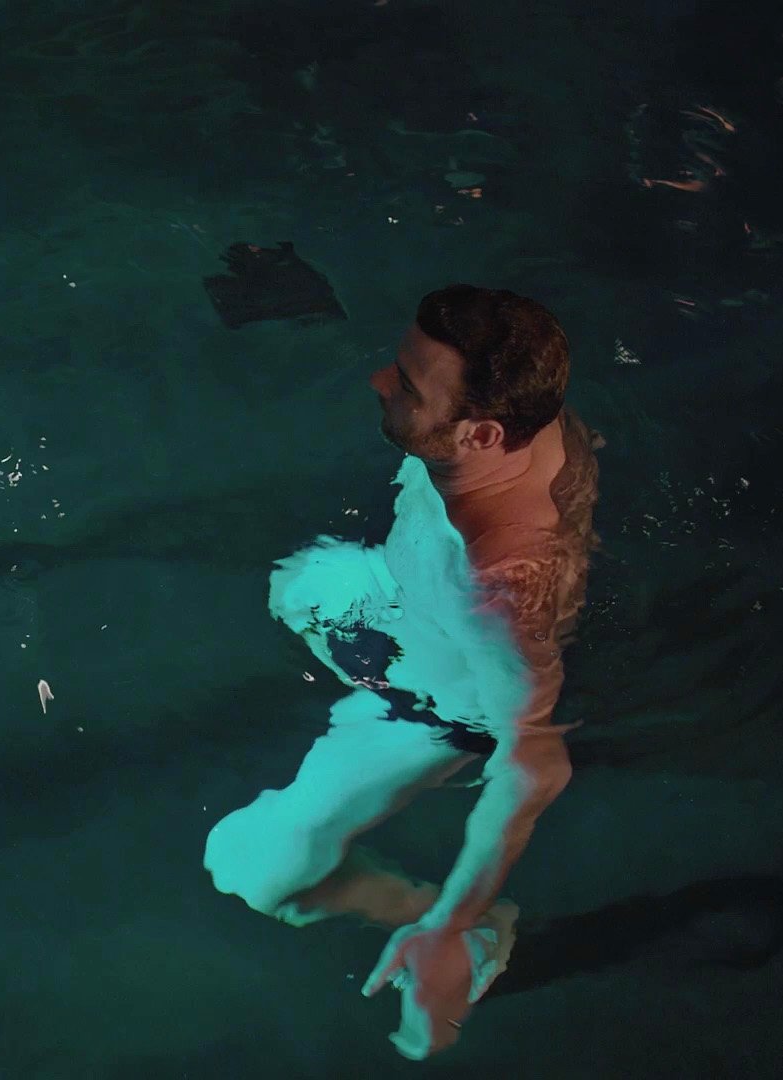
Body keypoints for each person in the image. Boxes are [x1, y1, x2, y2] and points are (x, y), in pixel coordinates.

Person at [203, 285, 601, 1059]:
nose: (378, 380)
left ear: (483, 433)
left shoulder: (498, 584)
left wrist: (449, 921)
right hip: (405, 597)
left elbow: (536, 756)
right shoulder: (526, 415)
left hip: (436, 703)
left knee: (250, 863)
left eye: (408, 385)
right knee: (299, 584)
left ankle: (454, 926)